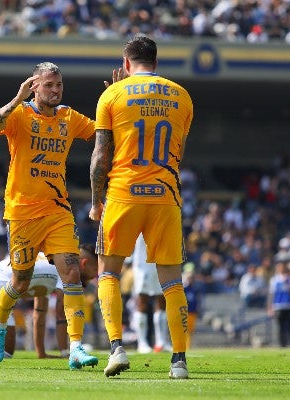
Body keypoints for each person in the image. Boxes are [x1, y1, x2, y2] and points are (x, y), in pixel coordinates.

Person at [0, 61, 98, 370]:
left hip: (58, 210)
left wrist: (117, 98)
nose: (56, 90)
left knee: (72, 274)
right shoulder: (19, 115)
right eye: (49, 85)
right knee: (20, 281)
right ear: (35, 87)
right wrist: (17, 99)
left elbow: (101, 131)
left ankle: (75, 347)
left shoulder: (68, 117)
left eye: (59, 85)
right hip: (22, 212)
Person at [89, 35, 193, 379]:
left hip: (123, 193)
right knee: (172, 282)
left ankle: (117, 348)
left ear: (126, 63)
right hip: (165, 195)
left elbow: (101, 156)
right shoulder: (182, 96)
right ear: (157, 63)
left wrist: (96, 200)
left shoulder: (112, 95)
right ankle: (178, 361)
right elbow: (176, 147)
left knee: (108, 273)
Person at [130, 233, 171, 354]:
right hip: (143, 263)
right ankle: (141, 342)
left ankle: (162, 342)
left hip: (160, 260)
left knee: (162, 299)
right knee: (143, 300)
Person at [267, 261, 290, 347]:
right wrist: (270, 308)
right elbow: (271, 295)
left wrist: (287, 283)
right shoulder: (274, 280)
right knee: (280, 327)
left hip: (288, 305)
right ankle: (282, 345)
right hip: (278, 306)